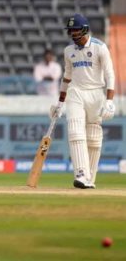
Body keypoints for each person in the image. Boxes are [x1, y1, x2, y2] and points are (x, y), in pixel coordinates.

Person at [49, 13, 115, 189]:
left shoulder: (100, 47)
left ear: (85, 29)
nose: (72, 34)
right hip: (76, 93)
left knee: (93, 139)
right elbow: (66, 78)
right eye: (70, 30)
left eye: (75, 30)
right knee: (75, 131)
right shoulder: (68, 51)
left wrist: (109, 100)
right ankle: (81, 174)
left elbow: (109, 74)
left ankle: (89, 178)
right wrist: (60, 103)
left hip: (96, 94)